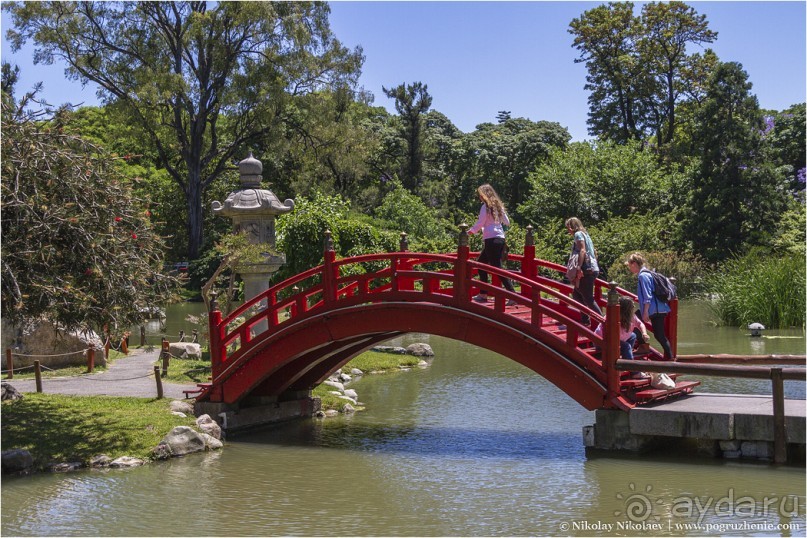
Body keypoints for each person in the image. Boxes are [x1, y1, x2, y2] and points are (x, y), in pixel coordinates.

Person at [467, 184, 517, 306]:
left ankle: (512, 295)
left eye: (480, 194)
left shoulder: (485, 207)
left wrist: (469, 232)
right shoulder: (498, 206)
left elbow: (480, 223)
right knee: (481, 264)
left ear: (484, 195)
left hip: (491, 239)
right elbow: (507, 222)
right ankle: (483, 293)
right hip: (500, 238)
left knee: (497, 268)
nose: (479, 197)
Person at [625, 252, 675, 361]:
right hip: (659, 308)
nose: (629, 268)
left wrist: (645, 312)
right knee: (657, 334)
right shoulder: (649, 273)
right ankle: (646, 347)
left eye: (629, 265)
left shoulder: (643, 276)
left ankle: (670, 358)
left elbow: (647, 296)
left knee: (657, 334)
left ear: (634, 264)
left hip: (653, 309)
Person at [595, 296, 651, 378]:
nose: (634, 307)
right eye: (631, 306)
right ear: (626, 309)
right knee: (626, 346)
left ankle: (626, 358)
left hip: (617, 339)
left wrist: (644, 333)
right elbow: (609, 335)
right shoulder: (613, 316)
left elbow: (640, 324)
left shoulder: (631, 316)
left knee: (633, 336)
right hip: (604, 340)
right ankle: (635, 373)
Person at [565, 217, 602, 325]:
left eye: (568, 227)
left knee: (588, 298)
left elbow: (582, 250)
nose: (568, 230)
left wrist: (579, 267)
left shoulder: (578, 234)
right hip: (592, 267)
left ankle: (604, 323)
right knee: (577, 294)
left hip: (586, 269)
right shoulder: (585, 234)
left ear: (572, 226)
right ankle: (585, 321)